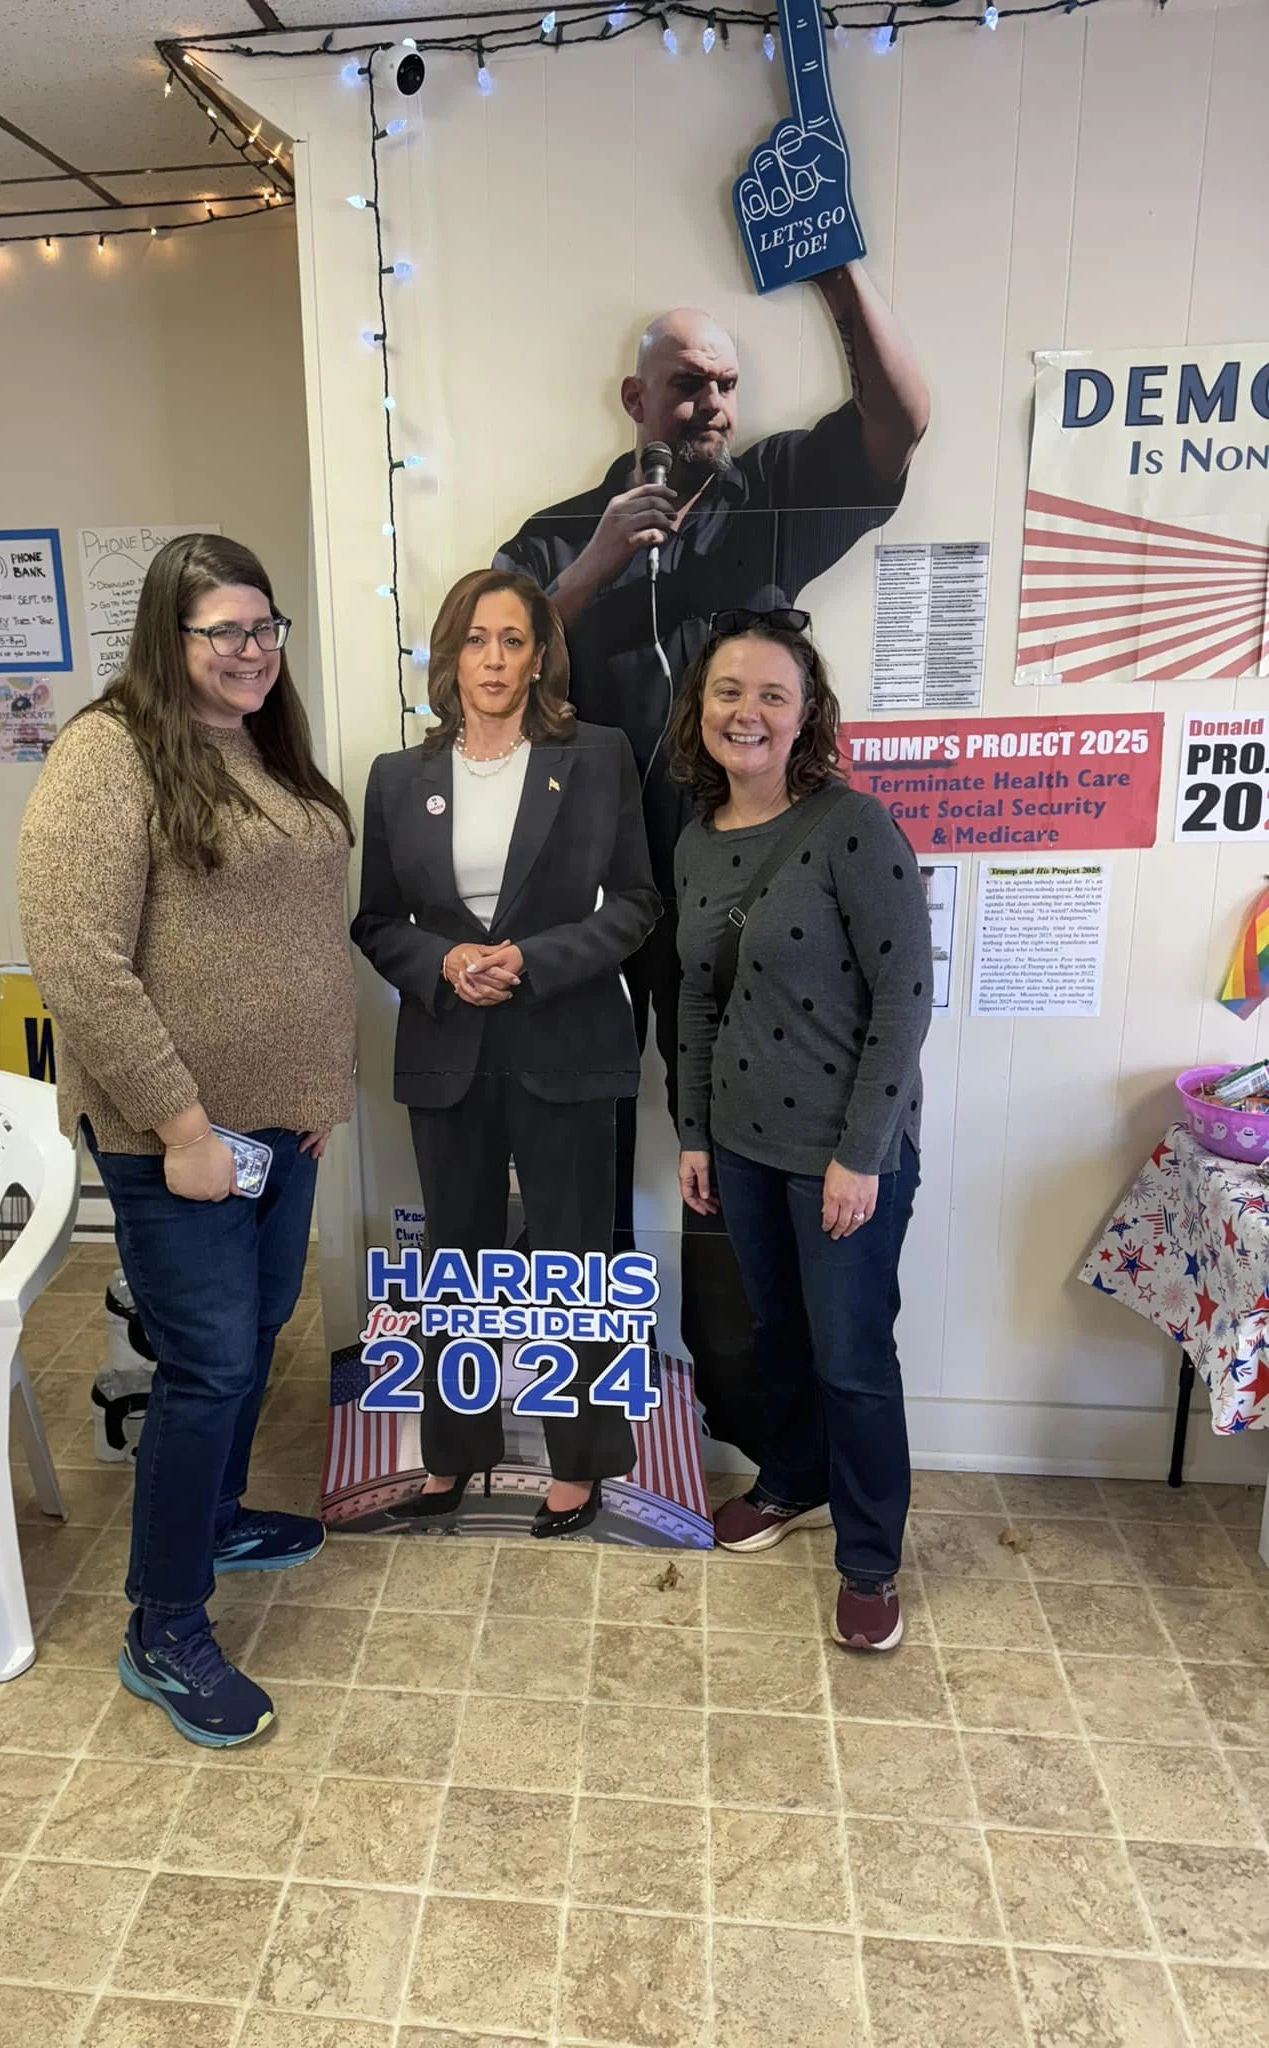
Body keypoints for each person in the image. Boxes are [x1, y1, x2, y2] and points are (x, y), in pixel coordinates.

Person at [494, 270, 929, 1431]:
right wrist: (588, 568)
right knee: (573, 1148)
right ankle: (572, 1415)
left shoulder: (774, 494)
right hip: (580, 908)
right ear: (634, 396)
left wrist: (835, 272)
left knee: (725, 1163)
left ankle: (749, 1428)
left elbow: (901, 423)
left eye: (728, 384)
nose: (714, 405)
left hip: (739, 901)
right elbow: (483, 686)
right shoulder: (547, 539)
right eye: (689, 384)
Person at [17, 532, 355, 1745]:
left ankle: (211, 1515)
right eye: (225, 631)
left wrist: (317, 1089)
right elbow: (80, 962)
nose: (252, 650)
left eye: (264, 627)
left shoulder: (264, 746)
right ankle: (163, 1621)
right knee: (209, 1364)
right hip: (182, 1138)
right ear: (169, 637)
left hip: (280, 1128)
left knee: (258, 1333)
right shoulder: (106, 754)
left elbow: (299, 940)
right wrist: (184, 1124)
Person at [352, 569, 660, 1537]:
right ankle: (453, 1454)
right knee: (455, 1259)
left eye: (513, 640)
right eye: (477, 639)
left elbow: (638, 905)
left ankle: (584, 1460)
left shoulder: (597, 756)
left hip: (566, 1040)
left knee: (576, 1259)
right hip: (448, 1044)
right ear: (449, 656)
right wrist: (446, 959)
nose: (493, 659)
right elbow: (374, 919)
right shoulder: (398, 777)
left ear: (539, 655)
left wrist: (531, 959)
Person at [668, 608, 932, 1652]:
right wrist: (695, 1132)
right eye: (730, 690)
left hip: (842, 1156)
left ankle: (870, 1560)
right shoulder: (694, 841)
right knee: (774, 1335)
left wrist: (861, 1154)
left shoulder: (852, 827)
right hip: (739, 1145)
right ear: (700, 711)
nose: (749, 712)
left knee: (853, 1355)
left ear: (807, 714)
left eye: (774, 694)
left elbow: (905, 998)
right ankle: (790, 1482)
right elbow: (694, 997)